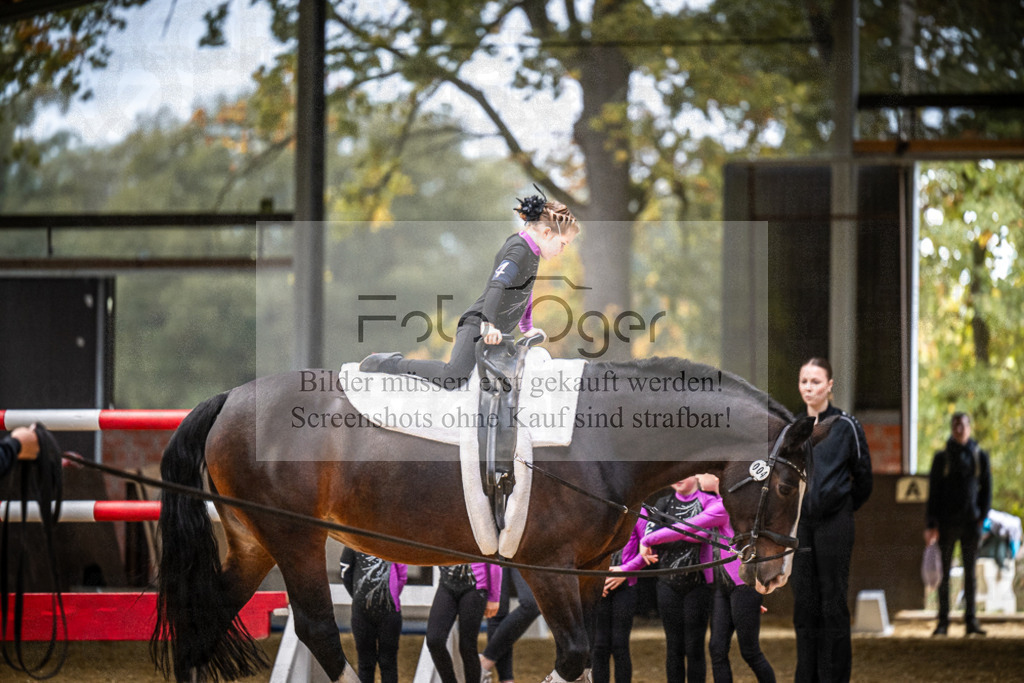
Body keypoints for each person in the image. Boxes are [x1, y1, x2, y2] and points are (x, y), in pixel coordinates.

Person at [359, 191, 580, 388]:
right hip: (478, 324)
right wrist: (488, 324)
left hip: (497, 332)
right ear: (547, 233)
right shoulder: (518, 250)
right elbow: (498, 284)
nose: (562, 250)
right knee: (453, 376)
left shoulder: (533, 252)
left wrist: (527, 327)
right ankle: (392, 364)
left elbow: (525, 291)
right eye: (563, 244)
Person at [791, 357, 873, 683]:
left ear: (829, 385)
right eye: (803, 381)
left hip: (835, 525)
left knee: (832, 603)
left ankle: (834, 677)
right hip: (801, 529)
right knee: (804, 605)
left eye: (815, 381)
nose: (808, 387)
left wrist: (842, 507)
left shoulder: (846, 426)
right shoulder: (793, 429)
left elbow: (863, 477)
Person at [695, 474, 776, 683]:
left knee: (750, 652)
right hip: (724, 586)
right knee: (717, 648)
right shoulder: (713, 502)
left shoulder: (725, 506)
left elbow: (689, 527)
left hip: (743, 585)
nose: (697, 476)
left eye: (702, 474)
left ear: (715, 478)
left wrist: (650, 537)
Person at [638, 476, 716, 683]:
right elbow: (650, 536)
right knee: (674, 646)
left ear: (696, 476)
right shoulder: (663, 504)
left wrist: (665, 536)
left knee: (695, 646)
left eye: (685, 475)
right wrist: (665, 537)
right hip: (668, 584)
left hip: (698, 584)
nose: (678, 479)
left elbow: (704, 533)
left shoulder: (708, 502)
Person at [924, 411, 991, 637]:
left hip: (971, 523)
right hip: (946, 523)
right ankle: (943, 621)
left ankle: (971, 620)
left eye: (962, 425)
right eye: (955, 425)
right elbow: (933, 492)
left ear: (969, 427)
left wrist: (983, 518)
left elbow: (987, 490)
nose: (959, 429)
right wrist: (931, 524)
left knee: (970, 574)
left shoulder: (979, 456)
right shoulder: (941, 458)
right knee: (944, 573)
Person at [590, 511, 647, 683]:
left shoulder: (640, 512)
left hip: (625, 587)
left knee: (620, 644)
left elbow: (648, 549)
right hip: (598, 587)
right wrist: (594, 579)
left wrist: (626, 570)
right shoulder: (596, 508)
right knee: (599, 646)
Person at [339, 548, 408, 683]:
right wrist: (359, 597)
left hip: (389, 613)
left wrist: (391, 596)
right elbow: (345, 572)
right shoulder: (354, 541)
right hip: (362, 614)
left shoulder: (392, 540)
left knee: (388, 662)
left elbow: (402, 575)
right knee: (365, 663)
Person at [426, 563, 501, 683]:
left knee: (467, 646)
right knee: (434, 640)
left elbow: (493, 559)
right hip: (447, 583)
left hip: (475, 585)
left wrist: (494, 597)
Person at [479, 568, 541, 683]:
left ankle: (485, 660)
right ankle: (507, 679)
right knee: (497, 613)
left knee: (532, 604)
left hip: (522, 552)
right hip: (495, 552)